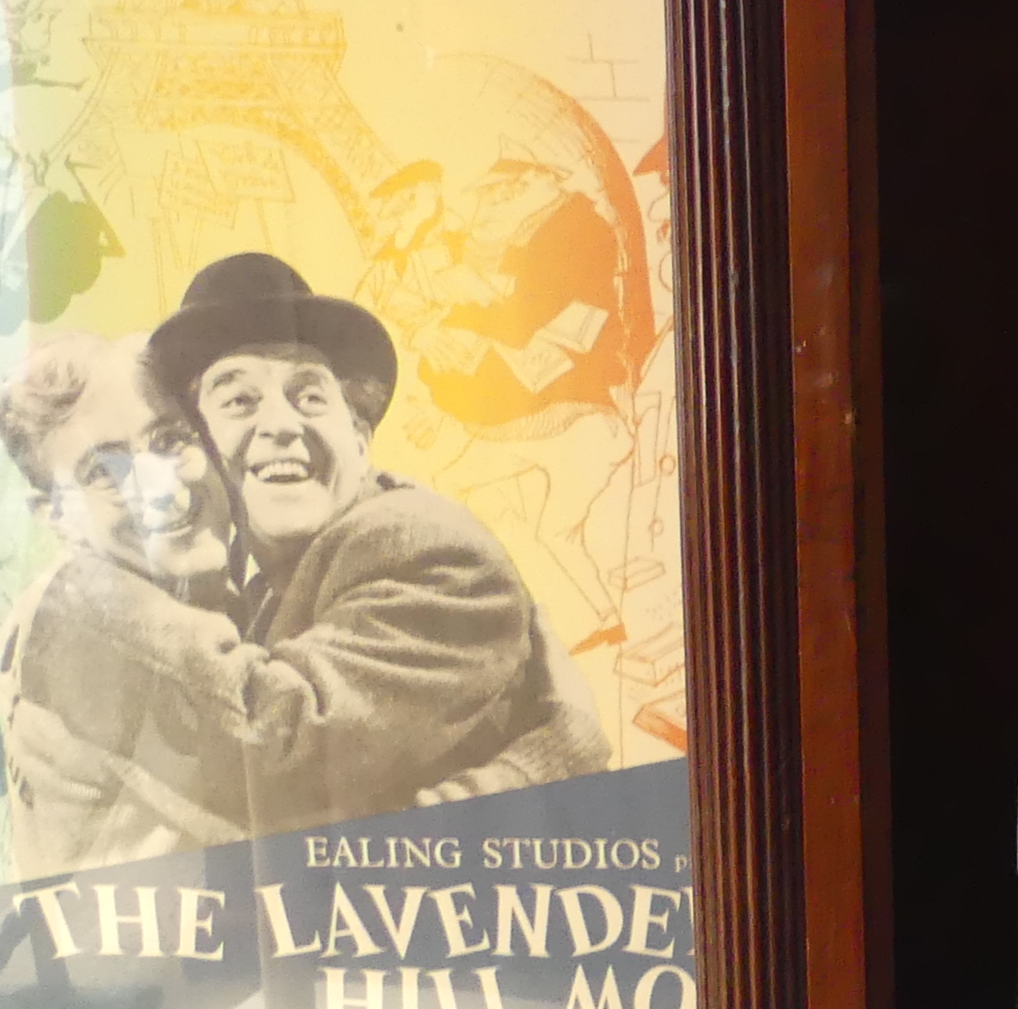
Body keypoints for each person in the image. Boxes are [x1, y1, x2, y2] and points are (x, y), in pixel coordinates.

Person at [27, 253, 609, 835]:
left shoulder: (429, 553)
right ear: (209, 452)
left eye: (309, 397)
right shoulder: (262, 595)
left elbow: (282, 762)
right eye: (238, 401)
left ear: (359, 439)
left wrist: (84, 595)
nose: (280, 425)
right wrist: (539, 767)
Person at [0, 334, 250, 874]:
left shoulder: (181, 598)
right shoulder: (101, 627)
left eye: (168, 441)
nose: (159, 487)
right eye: (103, 472)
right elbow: (317, 798)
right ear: (57, 516)